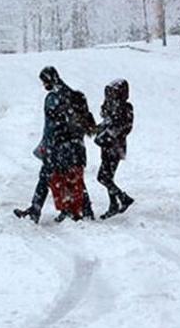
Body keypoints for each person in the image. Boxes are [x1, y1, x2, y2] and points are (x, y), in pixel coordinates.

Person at [14, 66, 96, 223]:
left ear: (48, 80)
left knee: (45, 177)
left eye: (44, 82)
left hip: (58, 147)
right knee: (75, 179)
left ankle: (36, 211)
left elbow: (52, 127)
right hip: (76, 146)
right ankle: (85, 211)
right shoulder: (74, 95)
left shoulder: (53, 98)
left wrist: (47, 147)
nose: (44, 86)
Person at [95, 79, 135, 220]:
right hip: (108, 146)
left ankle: (123, 198)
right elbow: (107, 122)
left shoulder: (125, 108)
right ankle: (113, 204)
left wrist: (110, 133)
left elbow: (125, 127)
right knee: (107, 177)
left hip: (115, 147)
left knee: (103, 177)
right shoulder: (112, 107)